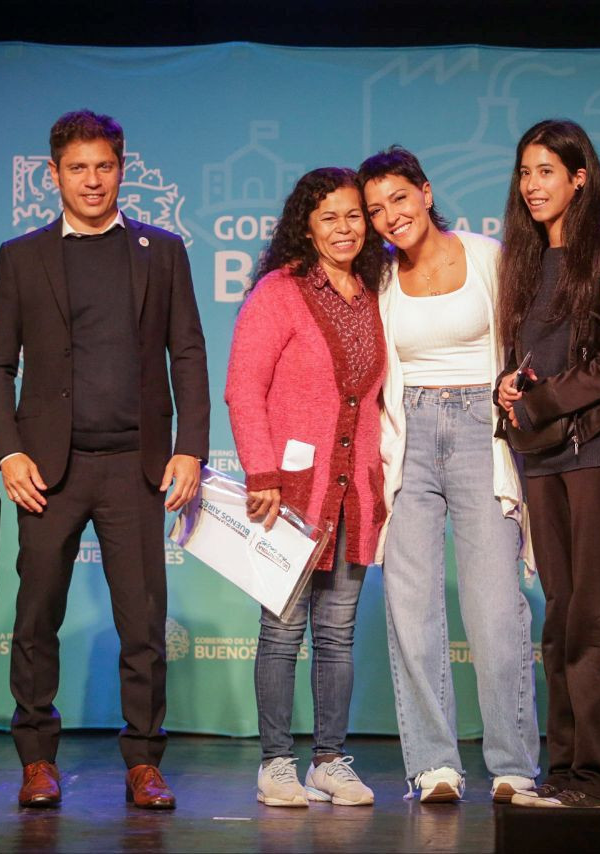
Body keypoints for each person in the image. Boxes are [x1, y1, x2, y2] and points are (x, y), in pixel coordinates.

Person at [0, 110, 209, 810]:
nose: (92, 180)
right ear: (53, 175)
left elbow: (189, 354)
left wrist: (191, 448)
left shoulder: (160, 250)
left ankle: (143, 761)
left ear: (122, 168)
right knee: (37, 614)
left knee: (142, 624)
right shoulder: (22, 256)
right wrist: (8, 451)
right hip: (50, 469)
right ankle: (36, 759)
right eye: (77, 168)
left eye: (104, 166)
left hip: (135, 468)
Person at [359, 146, 541, 804]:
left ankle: (514, 765)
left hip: (479, 433)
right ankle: (434, 765)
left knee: (495, 609)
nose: (390, 217)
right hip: (406, 437)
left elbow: (526, 341)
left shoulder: (488, 257)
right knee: (412, 609)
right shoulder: (377, 278)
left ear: (426, 194)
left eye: (399, 200)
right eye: (376, 209)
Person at [495, 119, 600, 809]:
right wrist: (509, 391)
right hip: (542, 461)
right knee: (559, 616)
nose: (532, 186)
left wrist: (542, 401)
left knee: (599, 619)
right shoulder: (523, 263)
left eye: (546, 171)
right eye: (525, 173)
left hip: (598, 454)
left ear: (579, 176)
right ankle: (564, 770)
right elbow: (527, 360)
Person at [226, 167, 387, 808]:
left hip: (354, 494)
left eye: (354, 216)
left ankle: (329, 759)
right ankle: (275, 764)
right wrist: (261, 471)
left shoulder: (374, 293)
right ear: (306, 224)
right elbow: (244, 387)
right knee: (282, 630)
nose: (345, 229)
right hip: (290, 492)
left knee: (338, 635)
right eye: (330, 217)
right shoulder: (280, 291)